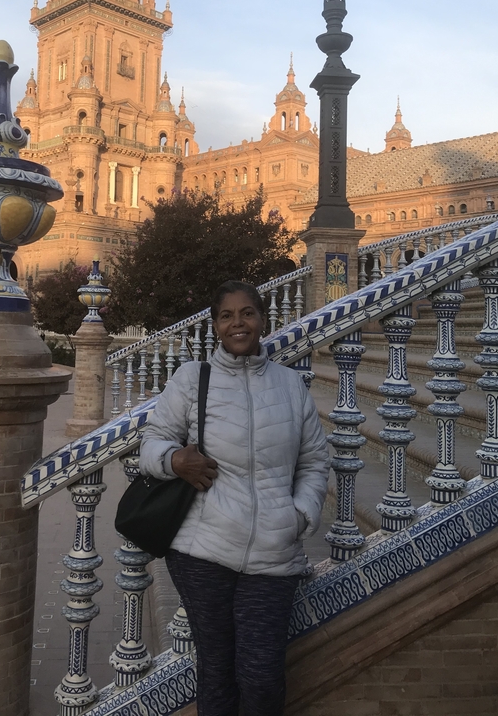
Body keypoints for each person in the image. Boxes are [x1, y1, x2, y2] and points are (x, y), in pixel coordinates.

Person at [139, 280, 330, 716]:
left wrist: (300, 515)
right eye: (227, 315)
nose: (237, 323)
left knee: (262, 678)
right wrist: (174, 461)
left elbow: (315, 459)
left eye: (247, 313)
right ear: (216, 325)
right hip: (202, 550)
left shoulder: (289, 385)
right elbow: (152, 443)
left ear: (262, 320)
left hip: (273, 553)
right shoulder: (192, 379)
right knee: (217, 671)